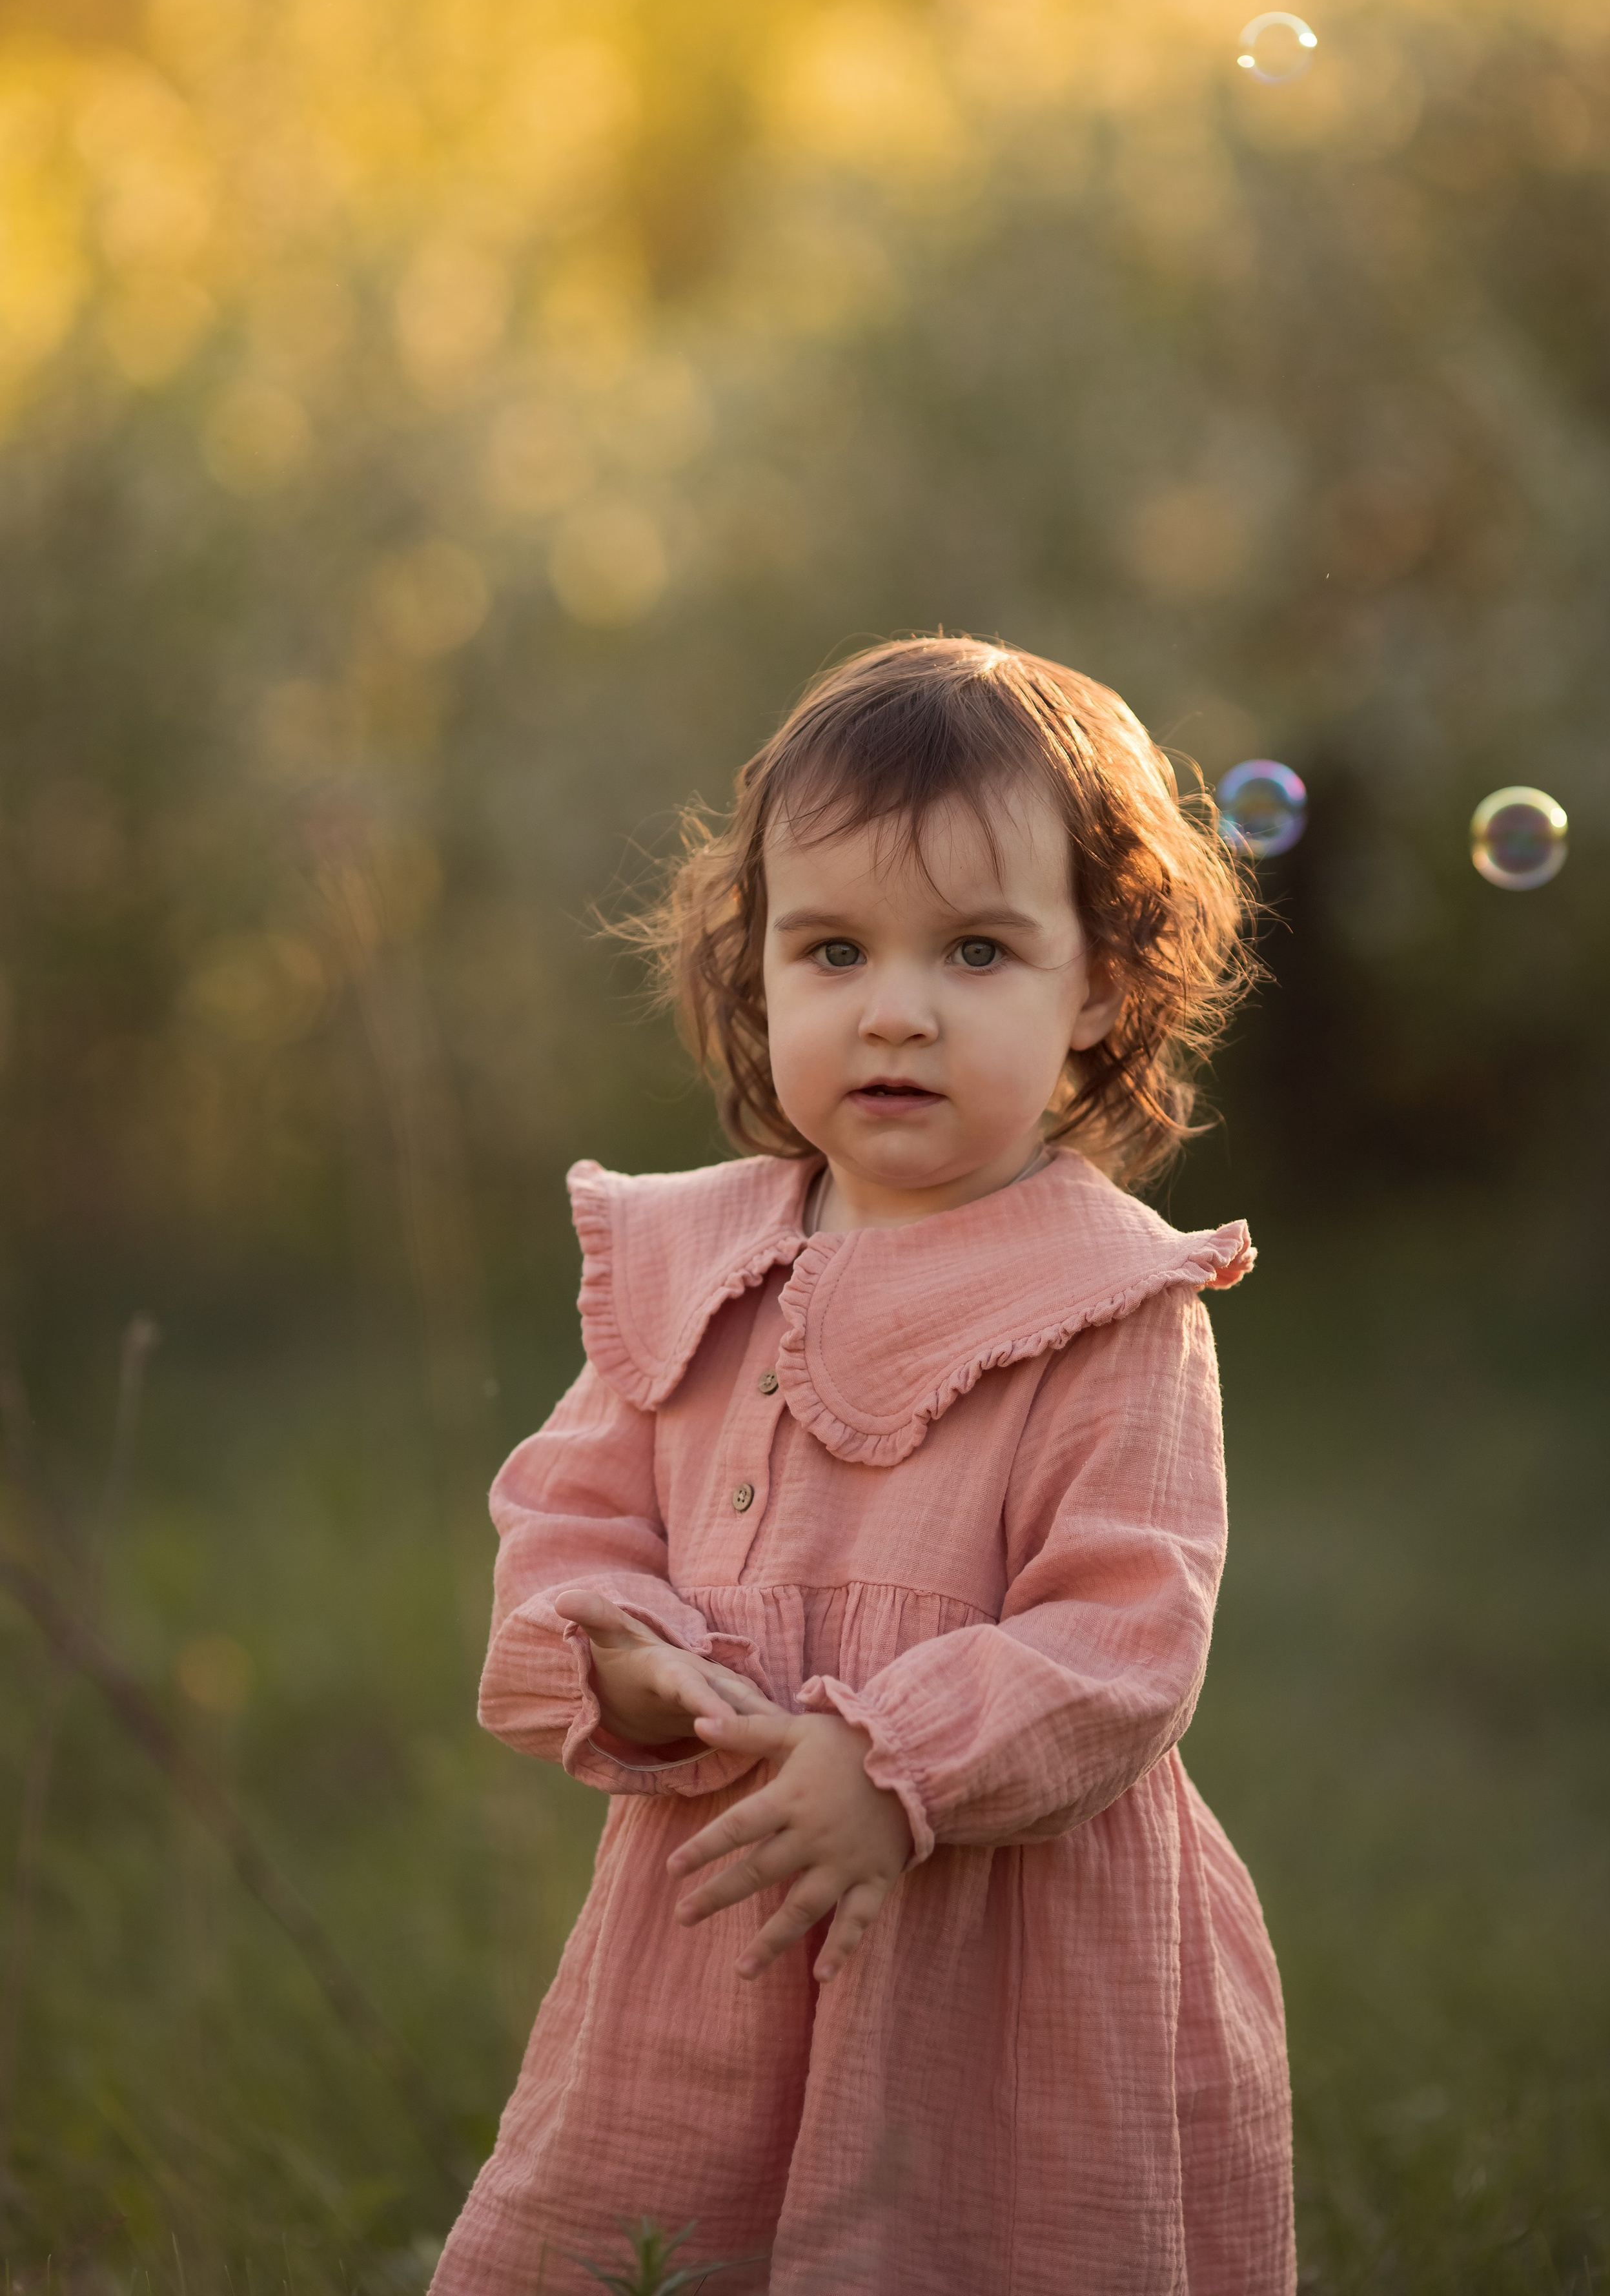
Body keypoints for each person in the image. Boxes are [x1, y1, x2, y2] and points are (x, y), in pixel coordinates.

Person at [431, 639, 1294, 2295]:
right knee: (674, 2234)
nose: (893, 1007)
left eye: (975, 949)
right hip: (725, 1914)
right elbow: (569, 1506)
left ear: (1099, 984)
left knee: (962, 2241)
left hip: (1001, 1947)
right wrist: (615, 1644)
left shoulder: (1111, 1302)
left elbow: (1125, 1641)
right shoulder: (694, 1262)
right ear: (756, 972)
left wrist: (896, 1763)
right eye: (832, 948)